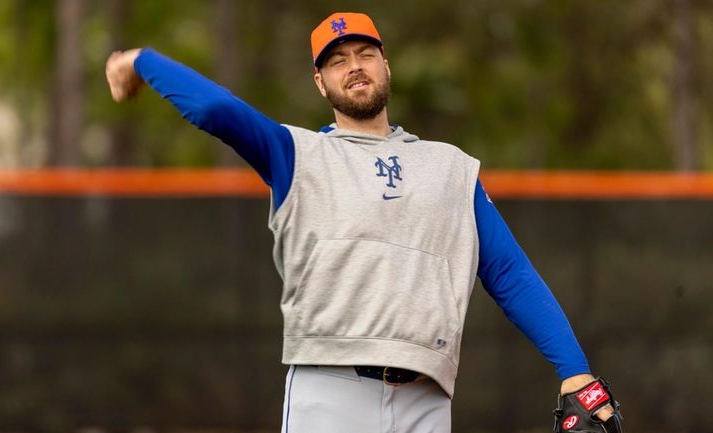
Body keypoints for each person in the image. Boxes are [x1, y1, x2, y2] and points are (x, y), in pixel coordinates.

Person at [106, 11, 619, 433]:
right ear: (319, 81)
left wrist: (576, 371)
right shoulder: (296, 153)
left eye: (364, 53)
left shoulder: (450, 167)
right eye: (336, 60)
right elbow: (216, 109)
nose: (354, 66)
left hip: (426, 394)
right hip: (330, 387)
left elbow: (509, 273)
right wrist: (142, 61)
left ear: (385, 65)